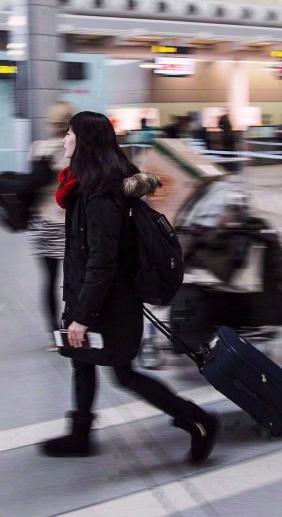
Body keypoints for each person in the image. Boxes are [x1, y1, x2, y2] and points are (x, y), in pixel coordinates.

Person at [41, 111, 220, 462]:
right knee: (82, 362)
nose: (64, 139)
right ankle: (80, 435)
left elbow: (102, 262)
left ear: (86, 141)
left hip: (110, 304)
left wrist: (82, 317)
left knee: (123, 373)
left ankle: (197, 420)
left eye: (70, 133)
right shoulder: (84, 186)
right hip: (94, 297)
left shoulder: (101, 196)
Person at [29, 101, 75, 348]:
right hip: (71, 224)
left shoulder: (38, 149)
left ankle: (54, 335)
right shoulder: (78, 150)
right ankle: (75, 328)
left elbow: (31, 187)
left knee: (48, 280)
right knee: (73, 280)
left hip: (44, 222)